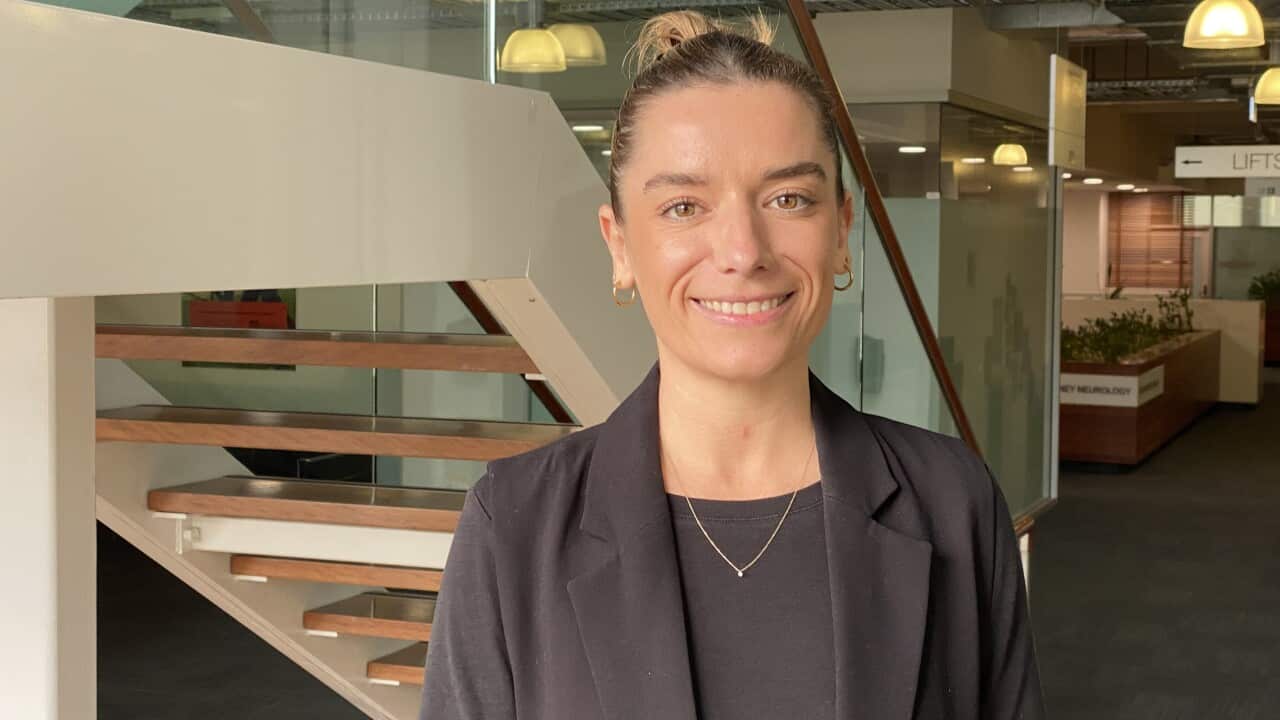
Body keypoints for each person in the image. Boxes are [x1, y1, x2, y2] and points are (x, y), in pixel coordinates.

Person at [419, 10, 1045, 720]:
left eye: (789, 199)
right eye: (684, 206)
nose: (743, 250)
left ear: (841, 232)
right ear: (619, 245)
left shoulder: (952, 501)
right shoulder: (518, 524)